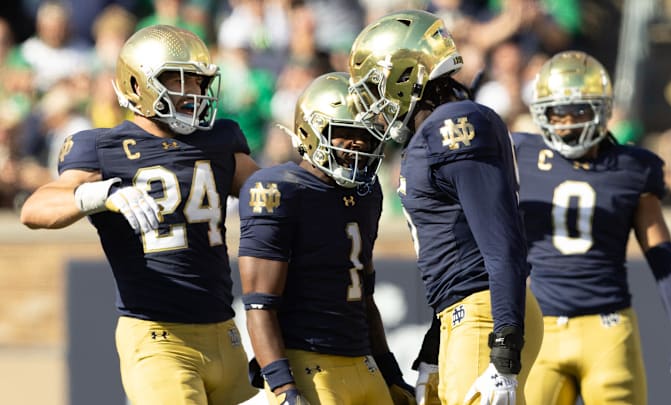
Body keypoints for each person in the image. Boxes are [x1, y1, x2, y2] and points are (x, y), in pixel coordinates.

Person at [19, 25, 259, 405]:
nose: (193, 93)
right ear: (137, 84)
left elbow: (268, 195)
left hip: (227, 333)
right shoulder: (103, 147)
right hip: (158, 335)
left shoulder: (220, 139)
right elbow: (34, 210)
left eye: (197, 82)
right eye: (178, 81)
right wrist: (99, 193)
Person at [347, 9, 543, 405]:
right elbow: (460, 246)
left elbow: (500, 245)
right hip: (467, 312)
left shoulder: (453, 124)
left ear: (406, 75)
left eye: (376, 86)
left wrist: (503, 347)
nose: (374, 103)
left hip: (485, 313)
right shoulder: (439, 127)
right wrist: (434, 349)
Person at [513, 50, 671, 404]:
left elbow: (662, 256)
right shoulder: (519, 153)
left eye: (579, 110)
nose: (567, 121)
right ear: (542, 112)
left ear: (601, 109)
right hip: (540, 328)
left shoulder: (633, 167)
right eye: (558, 111)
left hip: (608, 329)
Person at [237, 71, 416, 405]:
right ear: (312, 130)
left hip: (363, 362)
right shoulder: (279, 189)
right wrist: (283, 386)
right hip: (310, 367)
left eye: (366, 134)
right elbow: (260, 305)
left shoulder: (367, 193)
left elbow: (364, 296)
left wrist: (391, 373)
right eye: (346, 132)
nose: (359, 144)